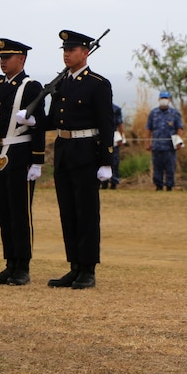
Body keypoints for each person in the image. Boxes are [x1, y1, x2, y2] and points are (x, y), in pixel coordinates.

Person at [46, 30, 115, 290]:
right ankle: (74, 265)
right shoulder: (62, 83)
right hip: (64, 151)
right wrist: (31, 120)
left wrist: (107, 161)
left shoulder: (97, 84)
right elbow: (53, 120)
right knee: (68, 213)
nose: (66, 53)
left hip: (86, 152)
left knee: (86, 213)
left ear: (85, 53)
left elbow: (107, 124)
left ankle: (88, 269)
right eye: (64, 49)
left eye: (72, 49)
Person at [0, 38, 45, 286]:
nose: (3, 61)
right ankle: (10, 263)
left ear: (22, 59)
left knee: (20, 213)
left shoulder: (31, 86)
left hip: (20, 154)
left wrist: (37, 161)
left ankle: (23, 266)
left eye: (8, 57)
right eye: (1, 58)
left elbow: (38, 125)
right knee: (4, 212)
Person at [146, 91, 184, 191]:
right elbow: (148, 128)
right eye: (162, 98)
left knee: (170, 167)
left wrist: (179, 142)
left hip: (170, 147)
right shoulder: (153, 113)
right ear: (159, 100)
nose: (164, 100)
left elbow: (179, 128)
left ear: (169, 100)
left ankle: (169, 186)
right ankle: (158, 186)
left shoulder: (174, 113)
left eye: (166, 98)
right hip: (157, 146)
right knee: (157, 167)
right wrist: (147, 142)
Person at [104, 103, 125, 190]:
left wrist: (122, 138)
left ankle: (114, 182)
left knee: (115, 160)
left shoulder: (116, 109)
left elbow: (120, 124)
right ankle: (103, 182)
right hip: (101, 135)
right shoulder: (98, 106)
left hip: (114, 135)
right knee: (102, 159)